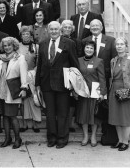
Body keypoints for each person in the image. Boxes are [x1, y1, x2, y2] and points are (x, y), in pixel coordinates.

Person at [35, 21, 79, 149]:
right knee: (50, 113)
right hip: (46, 83)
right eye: (51, 29)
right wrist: (37, 83)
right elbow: (40, 65)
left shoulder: (69, 43)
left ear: (60, 30)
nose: (53, 31)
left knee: (62, 113)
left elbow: (74, 64)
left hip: (63, 83)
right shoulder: (43, 43)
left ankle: (62, 138)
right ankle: (52, 137)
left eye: (56, 29)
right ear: (48, 30)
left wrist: (74, 84)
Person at [0, 37, 28, 149]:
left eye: (9, 45)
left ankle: (18, 139)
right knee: (5, 116)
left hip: (13, 90)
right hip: (1, 90)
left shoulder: (20, 58)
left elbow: (24, 74)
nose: (7, 47)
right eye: (5, 46)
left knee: (12, 116)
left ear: (14, 46)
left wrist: (24, 88)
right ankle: (7, 138)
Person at [108, 37, 130, 151]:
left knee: (124, 118)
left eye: (121, 44)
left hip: (126, 91)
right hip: (114, 90)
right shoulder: (113, 60)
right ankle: (120, 141)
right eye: (117, 44)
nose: (119, 46)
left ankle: (125, 142)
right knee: (116, 117)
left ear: (126, 46)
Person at [76, 40, 106, 147]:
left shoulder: (99, 61)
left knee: (94, 115)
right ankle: (85, 136)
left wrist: (102, 93)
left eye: (91, 48)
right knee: (83, 114)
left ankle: (93, 136)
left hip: (95, 91)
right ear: (84, 49)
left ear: (94, 50)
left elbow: (102, 78)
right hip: (83, 92)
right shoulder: (78, 60)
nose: (89, 50)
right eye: (87, 47)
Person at [61, 19, 83, 132]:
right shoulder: (58, 40)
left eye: (69, 27)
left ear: (72, 29)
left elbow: (78, 56)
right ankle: (62, 122)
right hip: (61, 72)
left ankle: (69, 123)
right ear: (62, 28)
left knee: (73, 99)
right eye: (65, 27)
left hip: (73, 71)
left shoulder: (77, 41)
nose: (67, 29)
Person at [82, 19, 117, 92]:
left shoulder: (111, 40)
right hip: (88, 76)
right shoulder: (84, 41)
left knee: (103, 100)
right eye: (93, 26)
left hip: (105, 76)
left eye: (97, 25)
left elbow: (114, 59)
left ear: (101, 28)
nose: (95, 27)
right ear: (90, 29)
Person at [17, 26, 41, 133]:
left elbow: (39, 62)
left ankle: (36, 123)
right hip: (21, 75)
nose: (26, 36)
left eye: (28, 34)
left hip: (33, 75)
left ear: (31, 36)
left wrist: (34, 73)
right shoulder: (17, 46)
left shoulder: (36, 46)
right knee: (23, 99)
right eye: (23, 34)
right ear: (21, 35)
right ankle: (24, 123)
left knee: (34, 98)